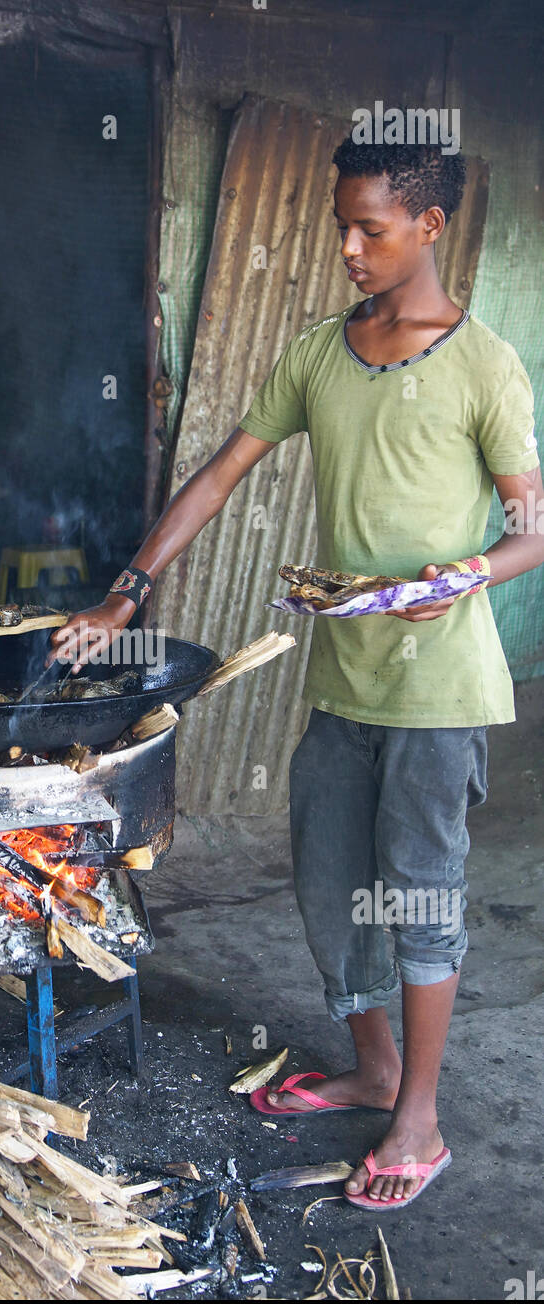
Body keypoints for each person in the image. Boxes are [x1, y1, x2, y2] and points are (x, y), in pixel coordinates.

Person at [49, 133, 544, 1209]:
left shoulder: (482, 364)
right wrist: (126, 588)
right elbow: (220, 472)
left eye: (369, 228)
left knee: (417, 891)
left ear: (428, 228)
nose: (347, 248)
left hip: (438, 688)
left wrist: (462, 572)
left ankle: (416, 1119)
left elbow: (529, 528)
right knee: (329, 883)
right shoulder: (321, 352)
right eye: (340, 226)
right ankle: (369, 1066)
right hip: (342, 679)